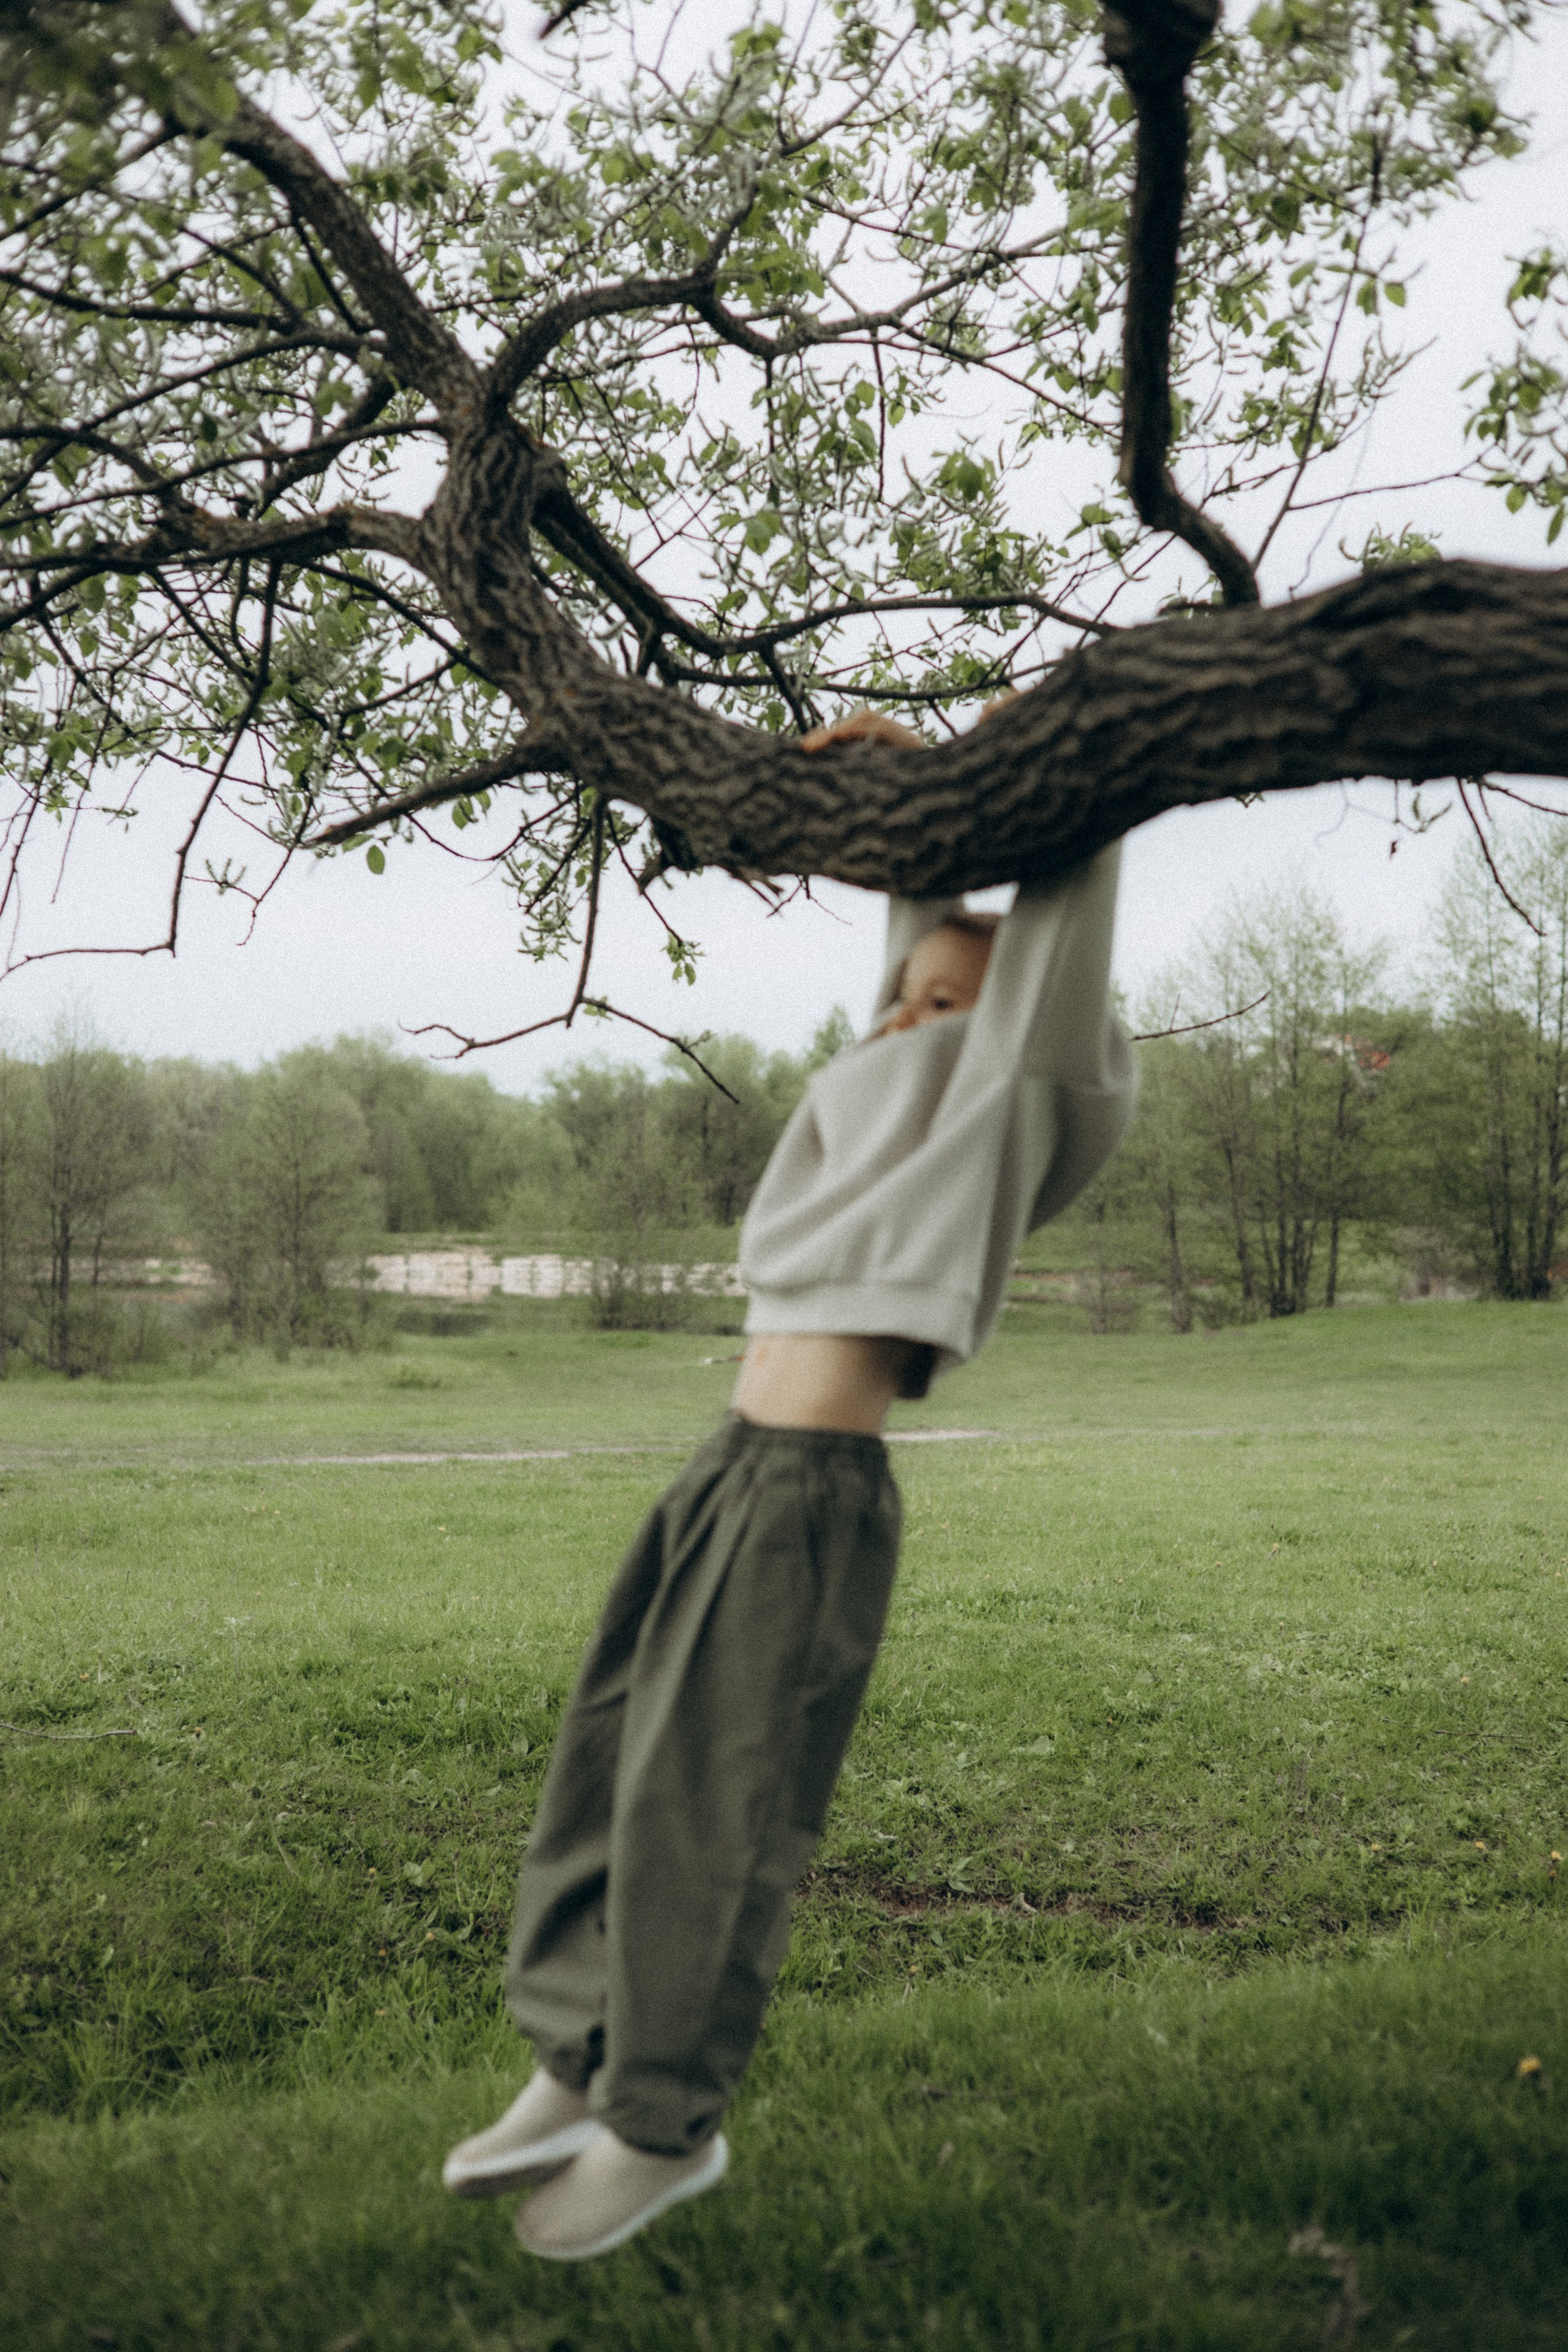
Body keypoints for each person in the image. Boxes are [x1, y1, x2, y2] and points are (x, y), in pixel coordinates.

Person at [441, 702, 1136, 2261]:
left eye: (937, 1001)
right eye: (891, 1000)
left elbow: (1056, 895)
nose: (900, 1016)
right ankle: (576, 2054)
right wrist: (901, 775)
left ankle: (662, 2119)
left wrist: (1025, 767)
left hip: (812, 1492)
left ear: (1015, 1017)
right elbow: (922, 927)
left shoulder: (1017, 1089)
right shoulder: (911, 1056)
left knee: (711, 1806)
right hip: (724, 1464)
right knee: (608, 1759)